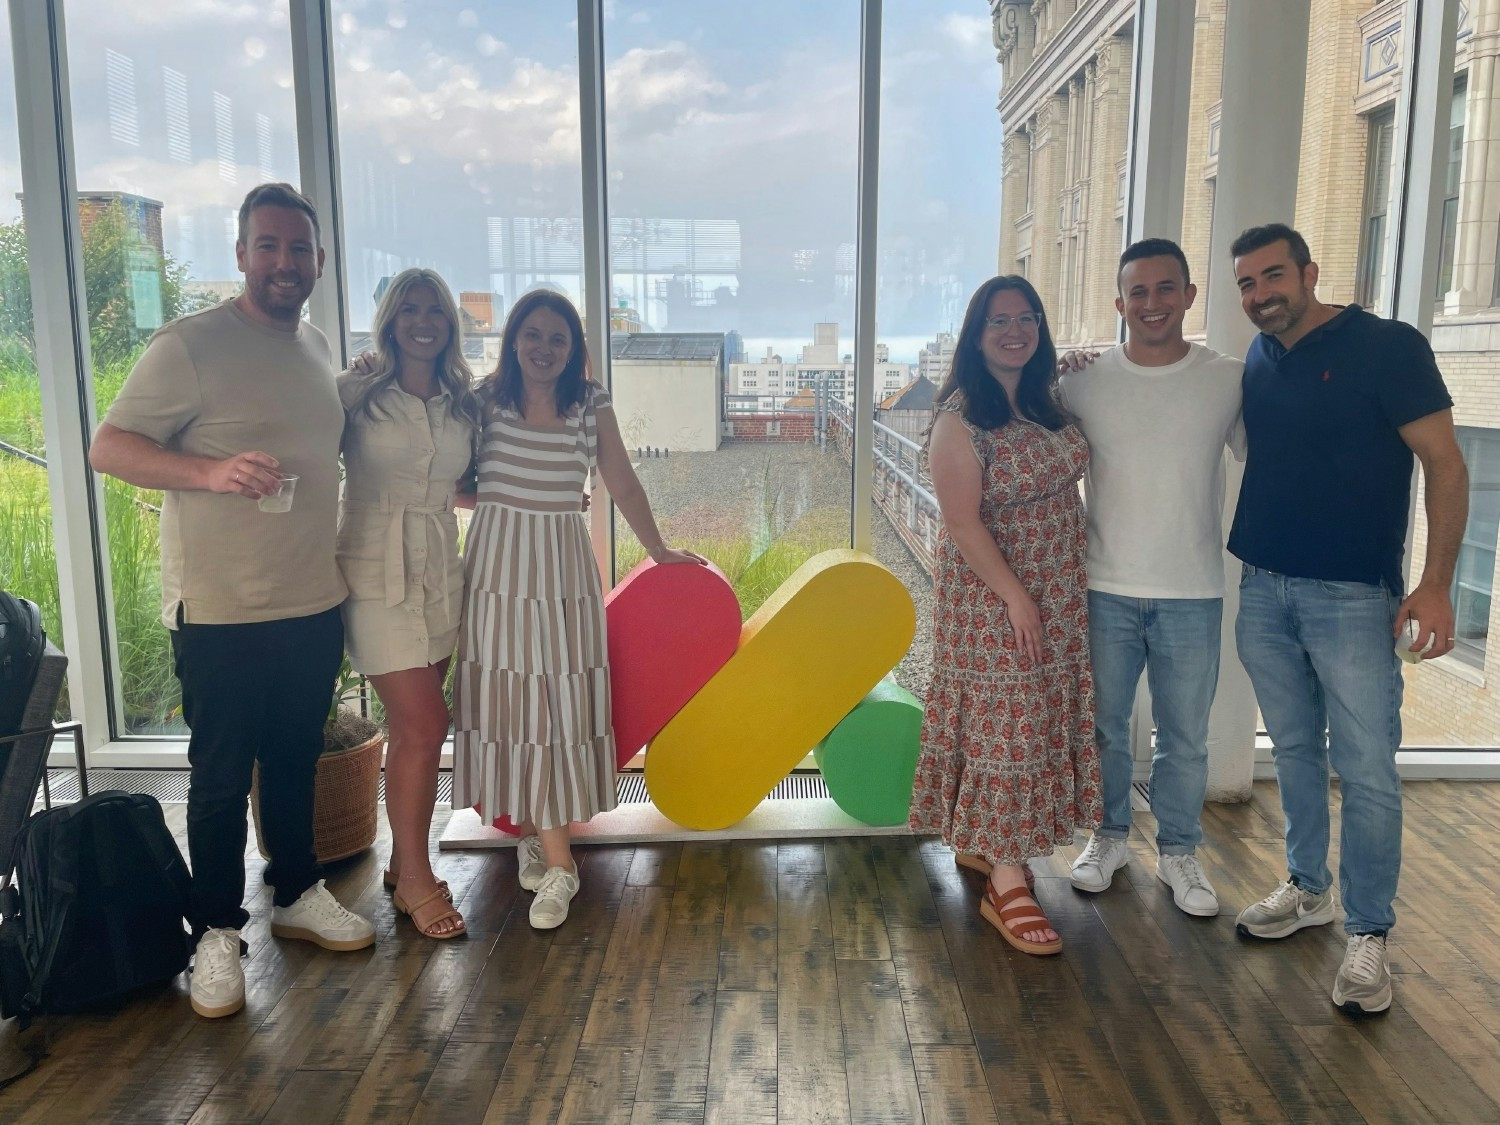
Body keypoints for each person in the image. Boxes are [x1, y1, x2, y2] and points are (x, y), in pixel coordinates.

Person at [90, 183, 375, 1021]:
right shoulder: (190, 345)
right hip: (220, 609)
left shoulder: (317, 345)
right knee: (218, 780)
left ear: (318, 263)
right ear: (242, 254)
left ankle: (296, 891)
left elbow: (315, 426)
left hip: (311, 598)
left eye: (299, 250)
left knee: (293, 760)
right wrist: (210, 472)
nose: (285, 262)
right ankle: (215, 929)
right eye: (269, 246)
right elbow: (109, 444)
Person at [1227, 223, 1467, 1015]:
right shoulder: (1259, 361)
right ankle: (1308, 888)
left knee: (1366, 768)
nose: (1261, 294)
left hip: (1353, 597)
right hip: (1262, 586)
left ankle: (1370, 933)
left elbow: (1446, 462)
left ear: (1308, 272)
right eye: (1247, 285)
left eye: (1272, 277)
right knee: (1294, 747)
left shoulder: (1388, 347)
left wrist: (1434, 584)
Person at [451, 290, 704, 930]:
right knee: (514, 704)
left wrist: (660, 549)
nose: (543, 348)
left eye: (557, 338)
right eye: (532, 335)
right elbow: (449, 479)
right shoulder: (484, 401)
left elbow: (620, 479)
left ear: (574, 350)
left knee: (556, 705)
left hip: (561, 567)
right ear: (513, 340)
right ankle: (546, 844)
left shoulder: (589, 403)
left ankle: (556, 860)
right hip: (497, 572)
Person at [907, 275, 1101, 956]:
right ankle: (1009, 881)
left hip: (1056, 592)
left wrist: (1076, 358)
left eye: (1028, 319)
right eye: (999, 322)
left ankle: (990, 844)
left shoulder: (1046, 401)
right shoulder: (960, 416)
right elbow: (962, 523)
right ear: (975, 335)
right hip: (995, 597)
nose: (1015, 331)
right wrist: (1016, 595)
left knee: (1033, 716)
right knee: (1007, 724)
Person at [1055, 238, 1244, 917]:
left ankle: (1179, 851)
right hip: (1103, 585)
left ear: (1190, 295)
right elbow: (1013, 413)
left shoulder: (1228, 378)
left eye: (1167, 289)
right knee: (1105, 726)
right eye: (1139, 291)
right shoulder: (1082, 380)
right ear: (1120, 303)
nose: (1153, 302)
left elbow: (1271, 452)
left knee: (1184, 734)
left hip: (1193, 587)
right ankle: (1106, 838)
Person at [337, 268, 480, 940]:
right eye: (410, 309)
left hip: (438, 570)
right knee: (426, 722)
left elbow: (468, 484)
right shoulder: (359, 392)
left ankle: (403, 862)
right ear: (391, 319)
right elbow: (302, 453)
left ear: (450, 324)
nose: (424, 320)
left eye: (437, 310)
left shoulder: (462, 402)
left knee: (412, 729)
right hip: (371, 571)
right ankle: (419, 877)